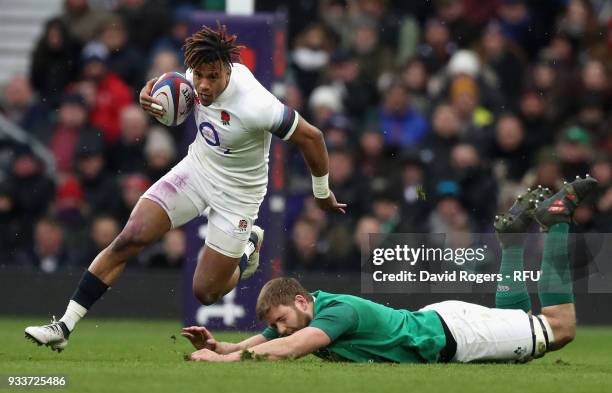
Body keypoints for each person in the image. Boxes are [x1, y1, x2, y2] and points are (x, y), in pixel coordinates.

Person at [25, 23, 346, 352]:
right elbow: (164, 86)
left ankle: (249, 247)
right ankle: (64, 325)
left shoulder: (256, 105)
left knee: (206, 293)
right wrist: (146, 94)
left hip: (238, 195)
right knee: (129, 238)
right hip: (197, 170)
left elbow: (312, 137)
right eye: (198, 76)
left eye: (211, 76)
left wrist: (322, 192)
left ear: (225, 70)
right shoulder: (195, 72)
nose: (203, 86)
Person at [183, 176, 596, 363]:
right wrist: (223, 347)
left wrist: (227, 363)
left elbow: (288, 347)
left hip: (456, 336)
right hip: (443, 324)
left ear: (300, 300)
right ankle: (511, 245)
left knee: (560, 329)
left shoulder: (335, 313)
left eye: (282, 319)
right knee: (520, 321)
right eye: (279, 324)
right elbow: (269, 338)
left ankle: (557, 221)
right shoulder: (308, 311)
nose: (282, 329)